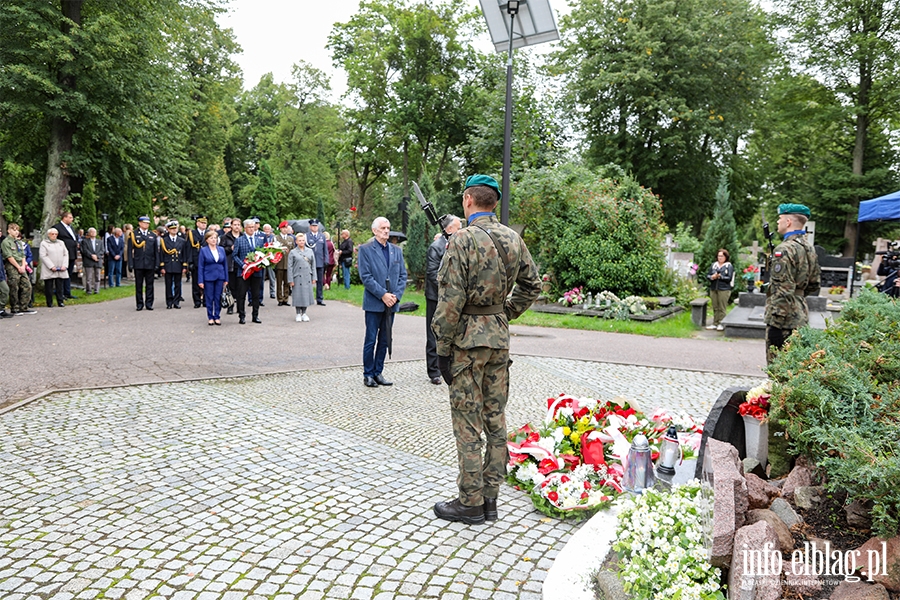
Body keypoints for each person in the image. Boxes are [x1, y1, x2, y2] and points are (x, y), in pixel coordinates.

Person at [431, 174, 541, 525]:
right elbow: (532, 284)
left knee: (467, 422)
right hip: (499, 340)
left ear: (468, 200)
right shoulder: (512, 238)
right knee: (495, 419)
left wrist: (442, 349)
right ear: (494, 202)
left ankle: (470, 502)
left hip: (467, 343)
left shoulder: (461, 240)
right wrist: (504, 313)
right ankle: (491, 500)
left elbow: (450, 300)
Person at [764, 203, 821, 365]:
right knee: (795, 369)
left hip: (784, 320)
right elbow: (814, 284)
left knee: (777, 370)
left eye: (780, 218)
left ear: (788, 222)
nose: (777, 222)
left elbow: (782, 289)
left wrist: (775, 324)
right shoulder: (809, 248)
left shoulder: (785, 250)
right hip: (801, 313)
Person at [358, 217, 407, 387]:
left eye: (388, 227)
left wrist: (395, 296)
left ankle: (378, 372)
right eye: (383, 228)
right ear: (375, 231)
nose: (386, 230)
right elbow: (366, 276)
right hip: (374, 302)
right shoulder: (365, 250)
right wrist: (383, 295)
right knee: (371, 339)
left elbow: (402, 276)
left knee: (385, 339)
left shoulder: (396, 251)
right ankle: (368, 374)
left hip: (391, 304)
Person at [425, 216, 462, 384]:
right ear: (448, 230)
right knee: (434, 332)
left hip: (453, 297)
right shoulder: (436, 247)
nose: (461, 230)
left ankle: (450, 365)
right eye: (458, 227)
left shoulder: (458, 246)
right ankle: (434, 371)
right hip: (436, 297)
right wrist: (449, 288)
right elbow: (432, 273)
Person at [233, 218, 263, 324]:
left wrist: (261, 264)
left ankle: (255, 316)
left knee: (256, 295)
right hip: (243, 272)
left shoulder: (259, 240)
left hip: (256, 272)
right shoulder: (239, 240)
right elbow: (234, 255)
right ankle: (242, 316)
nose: (252, 229)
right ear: (245, 228)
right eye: (250, 227)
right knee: (241, 295)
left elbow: (263, 255)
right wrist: (243, 265)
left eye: (253, 227)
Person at [2, 223, 36, 315]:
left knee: (27, 285)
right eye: (14, 230)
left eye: (17, 230)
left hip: (21, 265)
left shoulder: (18, 242)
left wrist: (23, 266)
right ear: (9, 231)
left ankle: (23, 306)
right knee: (14, 286)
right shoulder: (6, 242)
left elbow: (22, 254)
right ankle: (14, 307)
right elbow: (9, 256)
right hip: (12, 265)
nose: (16, 232)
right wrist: (18, 266)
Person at [127, 216, 159, 311]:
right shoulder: (134, 234)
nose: (146, 225)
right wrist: (130, 263)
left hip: (150, 263)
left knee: (150, 284)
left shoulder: (152, 235)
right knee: (139, 284)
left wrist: (157, 263)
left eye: (148, 223)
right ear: (140, 223)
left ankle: (149, 303)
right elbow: (129, 251)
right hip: (139, 263)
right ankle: (139, 304)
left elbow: (155, 251)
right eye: (144, 223)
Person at [197, 230, 228, 326]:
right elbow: (201, 266)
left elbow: (225, 264)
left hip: (220, 276)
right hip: (208, 277)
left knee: (218, 297)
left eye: (215, 238)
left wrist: (226, 279)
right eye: (211, 238)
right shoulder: (203, 250)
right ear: (207, 240)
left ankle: (217, 316)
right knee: (209, 297)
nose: (214, 240)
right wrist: (200, 280)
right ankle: (210, 316)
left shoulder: (221, 249)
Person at [288, 232, 316, 322]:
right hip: (297, 276)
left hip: (307, 276)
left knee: (306, 295)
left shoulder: (310, 251)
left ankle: (304, 313)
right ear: (296, 241)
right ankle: (298, 313)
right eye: (299, 240)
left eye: (303, 240)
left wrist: (314, 277)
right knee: (298, 296)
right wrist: (290, 279)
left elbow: (313, 265)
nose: (301, 242)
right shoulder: (293, 252)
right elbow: (289, 267)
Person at [159, 220, 187, 309]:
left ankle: (176, 301)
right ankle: (169, 302)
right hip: (168, 264)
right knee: (168, 284)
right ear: (168, 230)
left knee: (178, 284)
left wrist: (184, 266)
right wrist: (162, 266)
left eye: (175, 228)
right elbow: (161, 254)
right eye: (172, 229)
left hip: (178, 264)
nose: (174, 230)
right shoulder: (164, 240)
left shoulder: (182, 240)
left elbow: (184, 254)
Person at [51, 211, 79, 299]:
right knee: (62, 274)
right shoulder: (57, 227)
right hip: (62, 254)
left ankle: (67, 292)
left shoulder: (71, 228)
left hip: (72, 253)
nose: (72, 219)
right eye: (70, 217)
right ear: (65, 218)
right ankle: (60, 292)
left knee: (68, 274)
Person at [706, 248, 734, 331]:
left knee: (722, 307)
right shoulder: (714, 265)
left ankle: (722, 323)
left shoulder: (728, 266)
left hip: (724, 289)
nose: (720, 258)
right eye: (718, 256)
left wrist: (720, 277)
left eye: (722, 256)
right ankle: (715, 322)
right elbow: (708, 275)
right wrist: (712, 277)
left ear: (726, 257)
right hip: (714, 288)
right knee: (715, 306)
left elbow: (729, 278)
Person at [40, 228, 69, 307]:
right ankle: (49, 302)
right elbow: (43, 255)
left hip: (60, 267)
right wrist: (51, 266)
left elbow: (65, 254)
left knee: (59, 285)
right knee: (49, 286)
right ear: (49, 235)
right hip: (49, 268)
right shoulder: (44, 243)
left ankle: (60, 301)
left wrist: (65, 265)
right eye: (52, 234)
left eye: (56, 234)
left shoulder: (61, 243)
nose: (54, 236)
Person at [186, 216, 208, 308]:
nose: (204, 225)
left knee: (207, 282)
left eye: (205, 223)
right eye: (202, 223)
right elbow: (189, 248)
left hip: (207, 261)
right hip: (196, 260)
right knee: (196, 282)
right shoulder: (192, 234)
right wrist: (190, 262)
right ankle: (197, 301)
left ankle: (206, 300)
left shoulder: (209, 233)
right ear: (197, 224)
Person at [221, 219, 241, 315]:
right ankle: (230, 306)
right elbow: (221, 250)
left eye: (238, 225)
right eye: (235, 225)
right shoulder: (225, 237)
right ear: (231, 226)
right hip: (230, 265)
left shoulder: (243, 236)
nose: (237, 226)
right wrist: (230, 248)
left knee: (240, 287)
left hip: (240, 265)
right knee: (231, 287)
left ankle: (240, 307)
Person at [306, 219, 327, 306]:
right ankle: (308, 298)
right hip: (309, 262)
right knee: (308, 280)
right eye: (313, 226)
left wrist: (326, 260)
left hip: (319, 261)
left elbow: (325, 249)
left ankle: (320, 298)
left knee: (320, 281)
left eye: (316, 226)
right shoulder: (306, 236)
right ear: (310, 227)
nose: (314, 227)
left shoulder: (322, 236)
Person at [274, 221, 295, 306]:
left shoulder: (290, 239)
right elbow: (274, 250)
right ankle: (280, 299)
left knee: (287, 282)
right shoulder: (276, 238)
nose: (285, 230)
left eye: (286, 228)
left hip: (288, 263)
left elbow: (293, 250)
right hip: (279, 263)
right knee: (279, 282)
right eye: (283, 228)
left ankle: (286, 299)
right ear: (280, 229)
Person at [80, 227, 104, 294]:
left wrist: (97, 256)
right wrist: (91, 256)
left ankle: (96, 290)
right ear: (89, 233)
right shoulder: (85, 241)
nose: (93, 233)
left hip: (97, 261)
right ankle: (89, 290)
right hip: (89, 261)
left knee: (97, 276)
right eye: (92, 232)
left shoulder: (100, 241)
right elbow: (84, 250)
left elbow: (102, 250)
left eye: (94, 232)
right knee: (89, 277)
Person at [262, 223, 276, 300]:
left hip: (271, 259)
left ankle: (272, 292)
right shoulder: (261, 237)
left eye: (268, 229)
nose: (267, 231)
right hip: (263, 259)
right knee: (262, 277)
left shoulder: (273, 237)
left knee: (272, 277)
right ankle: (262, 293)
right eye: (266, 229)